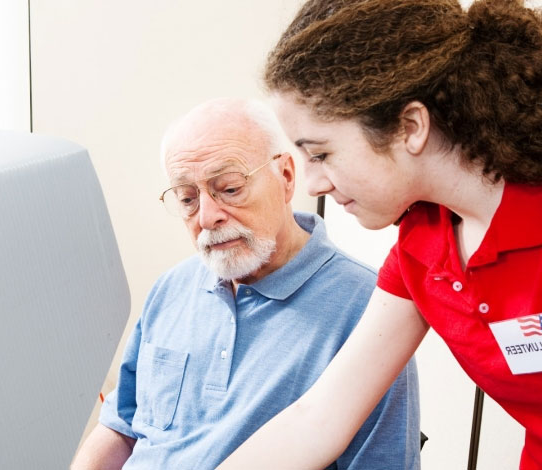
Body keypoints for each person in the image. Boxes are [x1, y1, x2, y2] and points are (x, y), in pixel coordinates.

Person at [217, 1, 542, 469]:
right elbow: (316, 419)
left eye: (321, 154)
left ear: (410, 127)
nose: (312, 185)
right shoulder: (423, 245)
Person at [70, 97, 421, 470]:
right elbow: (121, 429)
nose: (207, 217)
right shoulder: (171, 288)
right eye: (187, 198)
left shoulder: (369, 307)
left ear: (285, 177)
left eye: (230, 188)